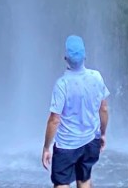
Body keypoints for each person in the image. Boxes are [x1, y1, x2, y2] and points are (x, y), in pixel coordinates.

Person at [41, 35, 110, 188]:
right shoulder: (96, 77)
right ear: (85, 55)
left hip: (67, 145)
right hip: (91, 141)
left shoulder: (62, 84)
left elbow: (54, 119)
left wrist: (47, 147)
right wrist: (103, 133)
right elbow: (103, 108)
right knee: (84, 180)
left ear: (66, 58)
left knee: (62, 183)